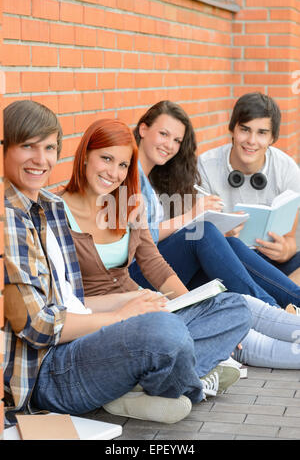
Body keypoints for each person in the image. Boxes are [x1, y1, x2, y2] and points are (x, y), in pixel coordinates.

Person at [3, 100, 250, 427]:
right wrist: (121, 314)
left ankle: (140, 384)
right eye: (28, 147)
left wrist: (137, 301)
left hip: (94, 332)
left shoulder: (45, 208)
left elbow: (72, 300)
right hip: (47, 370)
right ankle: (186, 380)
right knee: (165, 331)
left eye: (49, 148)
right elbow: (38, 326)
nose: (41, 159)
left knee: (234, 306)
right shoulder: (22, 218)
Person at [129, 99, 300, 369]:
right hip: (136, 277)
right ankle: (276, 313)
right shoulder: (127, 173)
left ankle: (286, 310)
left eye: (176, 140)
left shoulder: (153, 177)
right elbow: (135, 237)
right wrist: (191, 217)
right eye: (163, 134)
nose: (169, 145)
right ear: (143, 129)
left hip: (160, 269)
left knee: (223, 241)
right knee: (203, 232)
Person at [198, 92, 300, 286]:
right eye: (245, 130)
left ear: (272, 138)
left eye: (262, 133)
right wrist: (222, 235)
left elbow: (290, 241)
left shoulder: (288, 170)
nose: (251, 141)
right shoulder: (205, 165)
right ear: (233, 130)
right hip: (227, 260)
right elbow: (196, 236)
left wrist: (284, 250)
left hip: (269, 261)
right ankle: (282, 301)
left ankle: (271, 298)